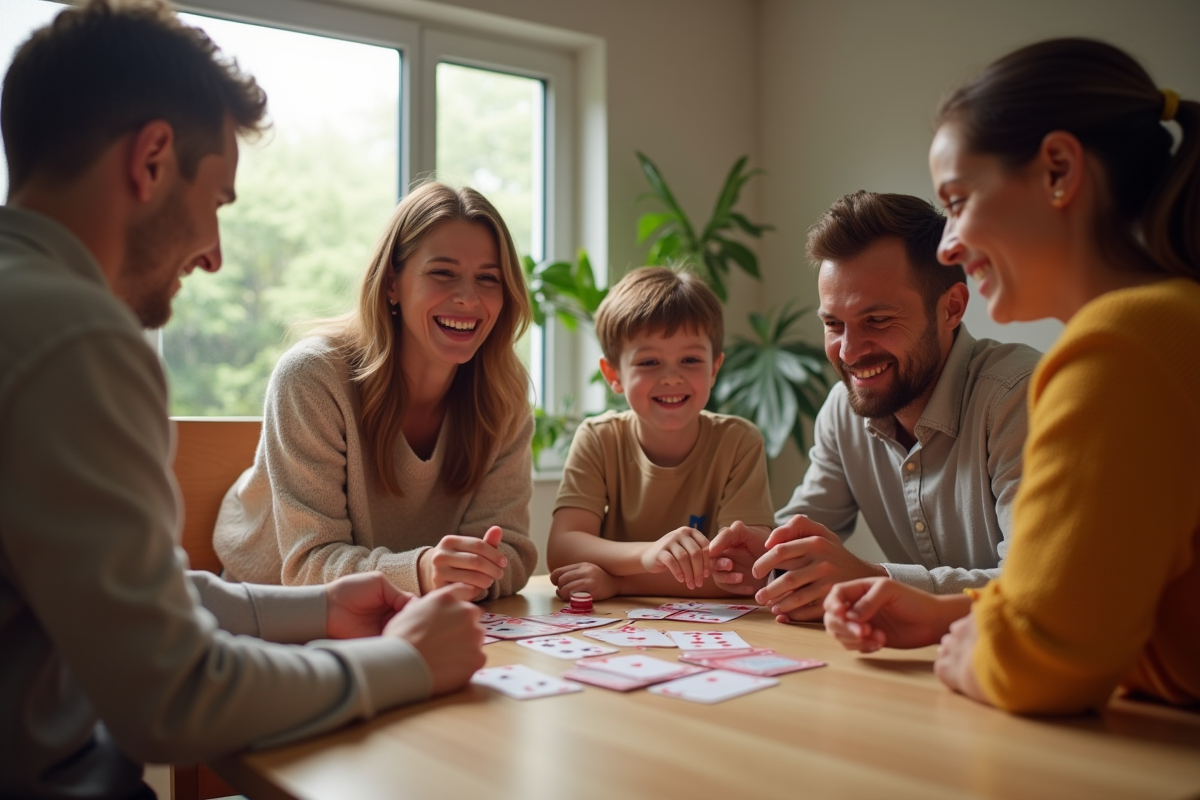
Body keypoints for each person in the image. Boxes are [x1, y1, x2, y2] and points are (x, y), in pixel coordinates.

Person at [0, 3, 485, 798]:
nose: (216, 257)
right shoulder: (77, 336)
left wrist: (315, 611)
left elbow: (122, 599)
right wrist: (406, 663)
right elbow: (171, 695)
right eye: (218, 202)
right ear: (152, 159)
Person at [825, 38, 1200, 715]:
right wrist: (948, 615)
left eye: (959, 200)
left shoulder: (1119, 348)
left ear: (1059, 169)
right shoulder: (1167, 323)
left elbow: (1045, 662)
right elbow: (1088, 600)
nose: (948, 247)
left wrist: (979, 649)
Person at [711, 191, 1040, 622]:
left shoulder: (1021, 395)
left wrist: (873, 579)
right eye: (833, 324)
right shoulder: (843, 409)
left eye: (878, 320)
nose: (849, 352)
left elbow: (1038, 587)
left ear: (952, 308)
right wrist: (767, 552)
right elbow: (805, 526)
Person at [213, 181, 538, 601]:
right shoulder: (311, 377)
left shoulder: (504, 397)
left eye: (488, 278)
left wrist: (470, 572)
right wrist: (422, 572)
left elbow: (510, 550)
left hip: (410, 611)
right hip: (269, 610)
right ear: (391, 284)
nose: (468, 298)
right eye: (443, 273)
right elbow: (309, 565)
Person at [547, 266, 777, 600]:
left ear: (714, 368)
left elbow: (744, 572)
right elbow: (563, 548)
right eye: (649, 362)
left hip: (718, 628)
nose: (671, 377)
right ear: (613, 374)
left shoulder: (739, 442)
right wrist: (647, 555)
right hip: (613, 626)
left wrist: (621, 582)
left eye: (690, 360)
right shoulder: (598, 438)